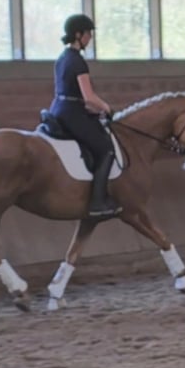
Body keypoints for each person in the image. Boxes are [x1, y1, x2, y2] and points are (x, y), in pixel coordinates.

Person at [49, 14, 122, 217]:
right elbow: (89, 97)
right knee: (106, 149)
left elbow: (71, 93)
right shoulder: (78, 62)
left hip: (58, 108)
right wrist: (107, 109)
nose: (90, 38)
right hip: (72, 113)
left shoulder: (62, 58)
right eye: (89, 33)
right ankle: (98, 201)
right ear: (78, 34)